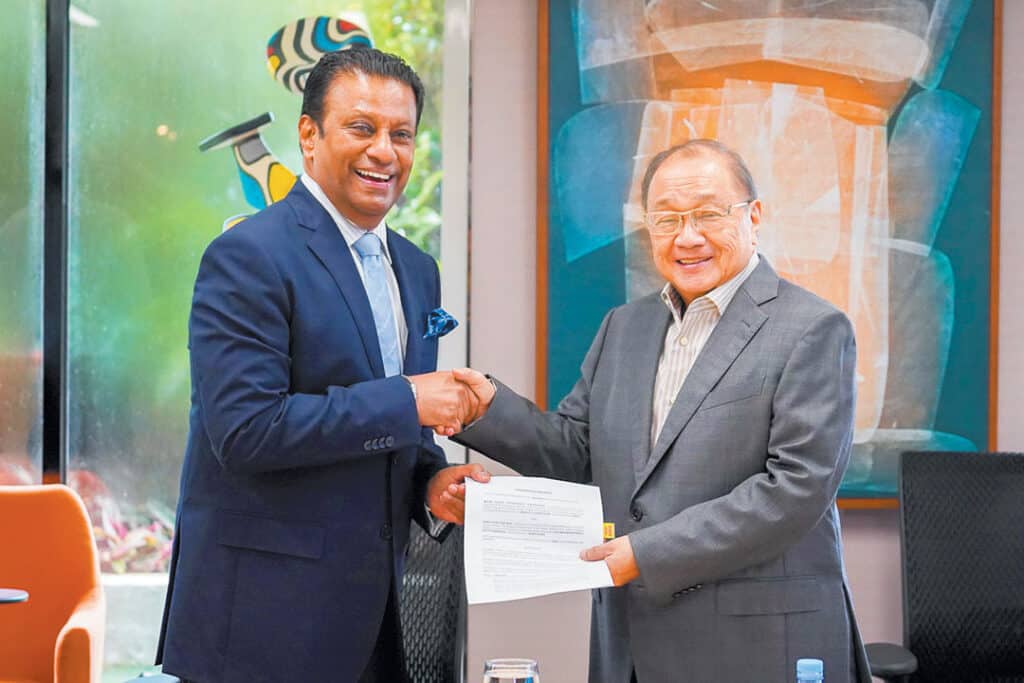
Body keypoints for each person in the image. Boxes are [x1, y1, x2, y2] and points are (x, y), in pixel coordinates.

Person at [453, 139, 871, 682]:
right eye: (667, 219)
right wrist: (487, 408)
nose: (687, 236)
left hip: (755, 645)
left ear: (754, 216)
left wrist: (646, 554)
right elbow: (580, 455)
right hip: (630, 643)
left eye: (707, 215)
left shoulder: (812, 328)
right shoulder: (623, 328)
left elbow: (795, 489)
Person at [156, 47, 488, 683]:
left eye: (402, 135)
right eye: (361, 128)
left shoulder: (418, 271)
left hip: (375, 622)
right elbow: (245, 431)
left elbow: (399, 432)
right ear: (308, 135)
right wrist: (410, 401)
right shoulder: (247, 255)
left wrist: (430, 485)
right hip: (258, 628)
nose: (384, 152)